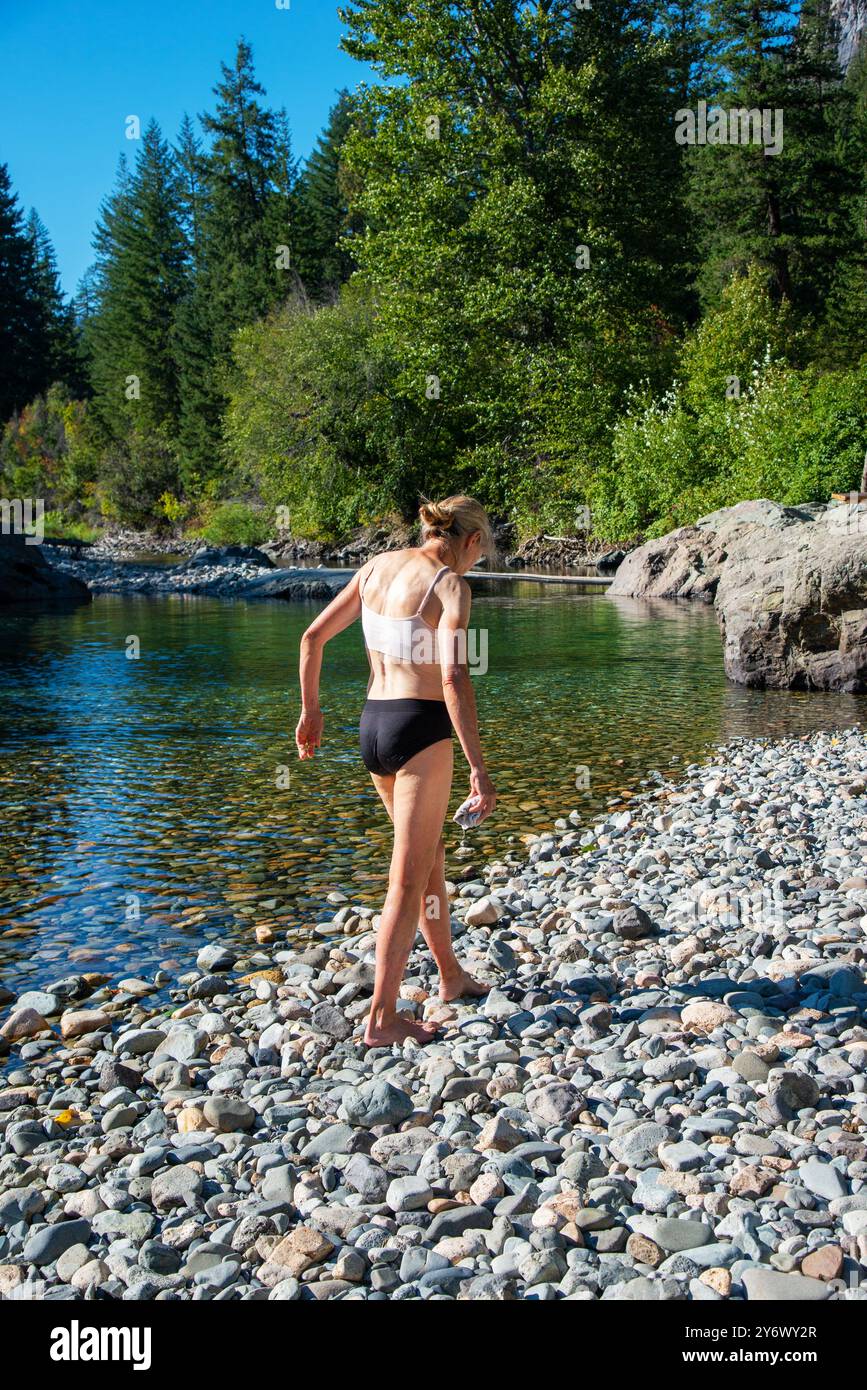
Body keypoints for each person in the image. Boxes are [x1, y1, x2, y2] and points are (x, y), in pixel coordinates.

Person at [295, 495, 498, 1046]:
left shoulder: (376, 568)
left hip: (373, 728)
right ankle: (382, 1018)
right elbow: (454, 679)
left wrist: (311, 713)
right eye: (481, 553)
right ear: (470, 541)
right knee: (406, 882)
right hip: (422, 730)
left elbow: (312, 639)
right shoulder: (450, 586)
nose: (477, 564)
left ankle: (450, 976)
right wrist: (479, 768)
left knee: (429, 858)